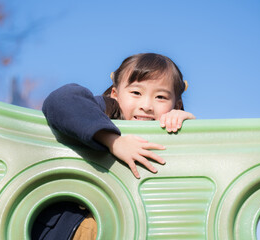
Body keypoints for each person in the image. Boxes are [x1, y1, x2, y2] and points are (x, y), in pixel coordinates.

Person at [37, 53, 195, 240]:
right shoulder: (110, 110)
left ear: (175, 104)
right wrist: (113, 141)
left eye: (160, 97)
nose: (147, 105)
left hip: (138, 227)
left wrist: (187, 127)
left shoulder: (168, 130)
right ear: (115, 94)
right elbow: (62, 100)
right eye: (136, 93)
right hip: (82, 225)